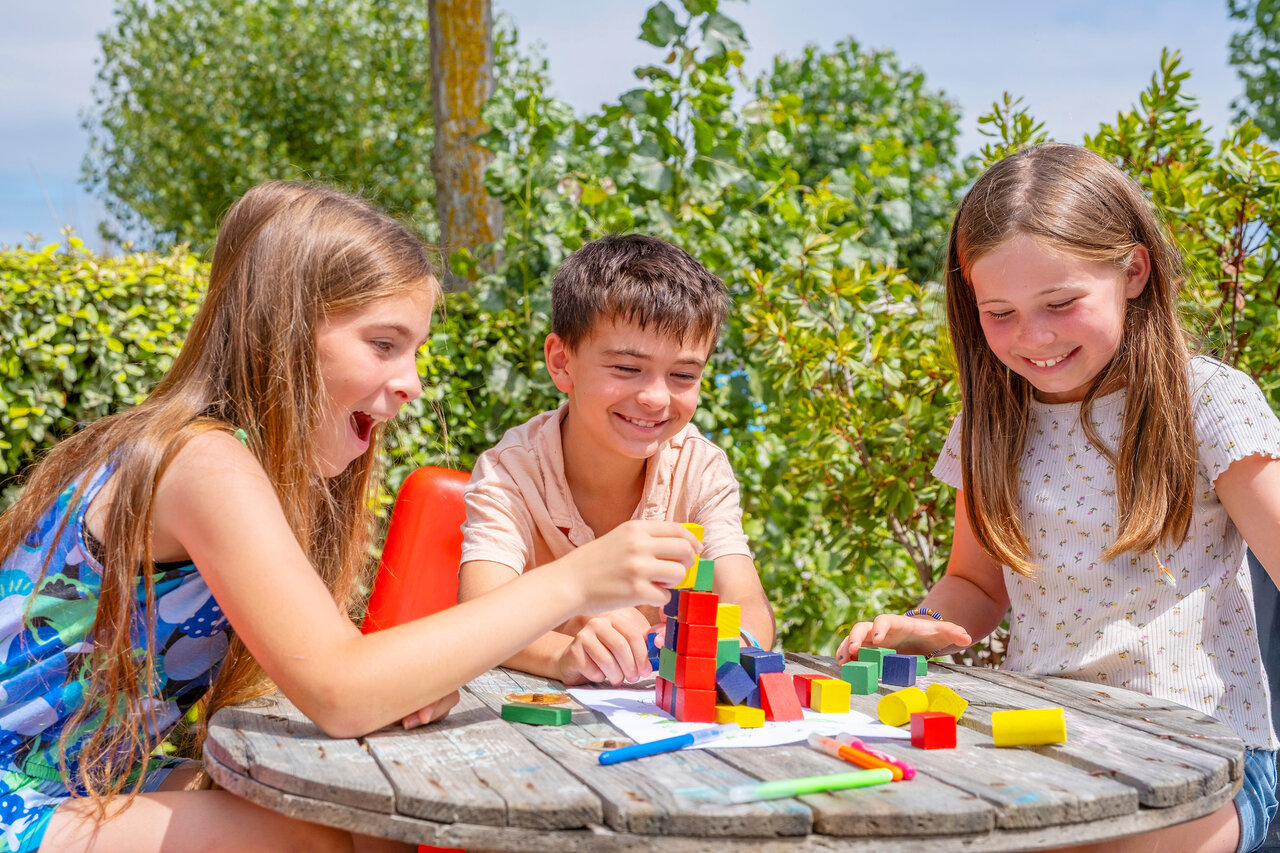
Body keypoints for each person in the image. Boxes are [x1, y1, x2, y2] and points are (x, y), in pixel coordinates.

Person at [0, 182, 694, 853]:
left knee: (367, 821)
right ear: (285, 335)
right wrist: (574, 581)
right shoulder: (203, 463)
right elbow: (341, 690)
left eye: (414, 350)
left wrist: (400, 683)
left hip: (78, 774)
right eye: (384, 344)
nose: (412, 382)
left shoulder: (237, 464)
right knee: (307, 838)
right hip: (17, 792)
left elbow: (337, 669)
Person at [837, 143, 1280, 853]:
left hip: (1210, 760)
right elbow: (974, 583)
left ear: (1133, 271)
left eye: (1061, 303)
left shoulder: (1209, 401)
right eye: (1000, 312)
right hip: (1047, 744)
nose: (1033, 337)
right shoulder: (990, 422)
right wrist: (922, 624)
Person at [457, 234, 775, 687]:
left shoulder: (699, 467)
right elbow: (477, 618)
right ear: (562, 362)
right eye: (627, 368)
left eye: (683, 375)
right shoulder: (511, 470)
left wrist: (727, 642)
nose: (654, 397)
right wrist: (564, 654)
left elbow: (747, 604)